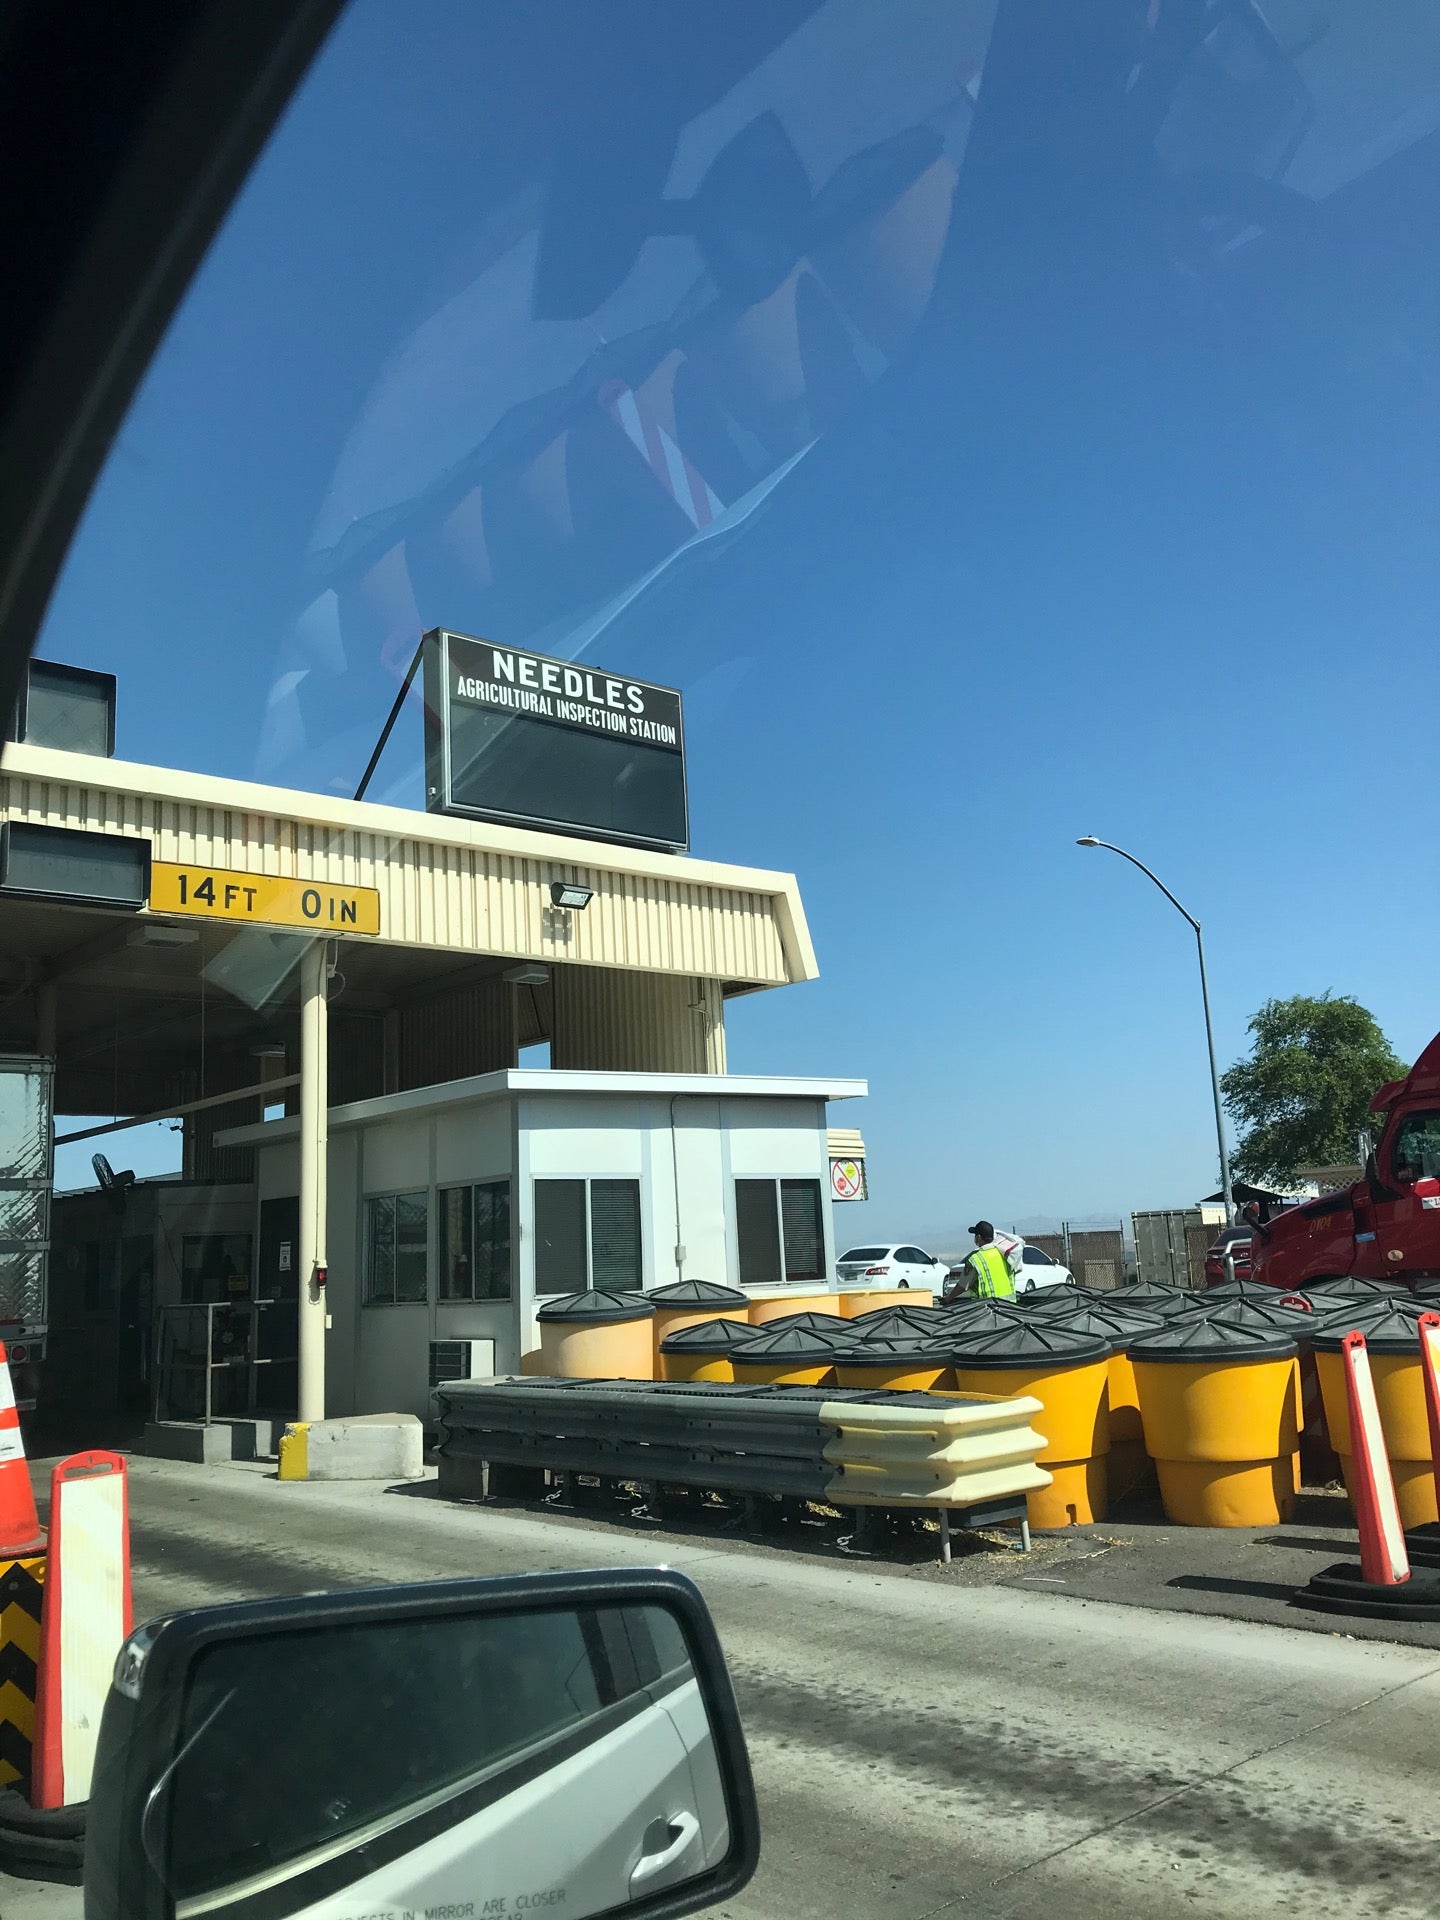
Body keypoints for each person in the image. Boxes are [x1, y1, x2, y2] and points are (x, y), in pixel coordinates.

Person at [955, 1220, 1016, 1300]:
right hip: (1010, 1307)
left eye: (975, 1235)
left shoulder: (975, 1259)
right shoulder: (1003, 1254)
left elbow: (962, 1285)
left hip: (988, 1309)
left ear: (979, 1237)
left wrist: (948, 1299)